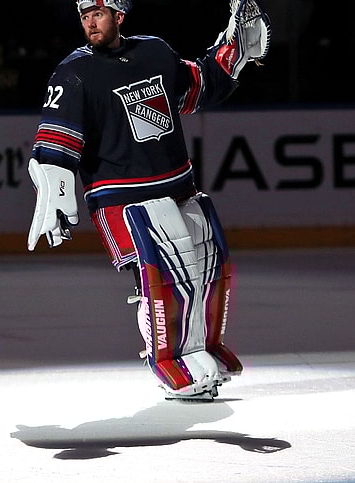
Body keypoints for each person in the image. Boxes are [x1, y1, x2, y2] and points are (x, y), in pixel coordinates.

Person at [26, 0, 270, 401]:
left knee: (206, 269)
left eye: (98, 13)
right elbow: (55, 141)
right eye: (84, 15)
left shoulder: (155, 50)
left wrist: (234, 53)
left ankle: (201, 349)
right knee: (162, 278)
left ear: (119, 16)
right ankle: (169, 361)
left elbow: (196, 88)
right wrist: (54, 193)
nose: (90, 22)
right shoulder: (73, 73)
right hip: (119, 196)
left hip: (177, 184)